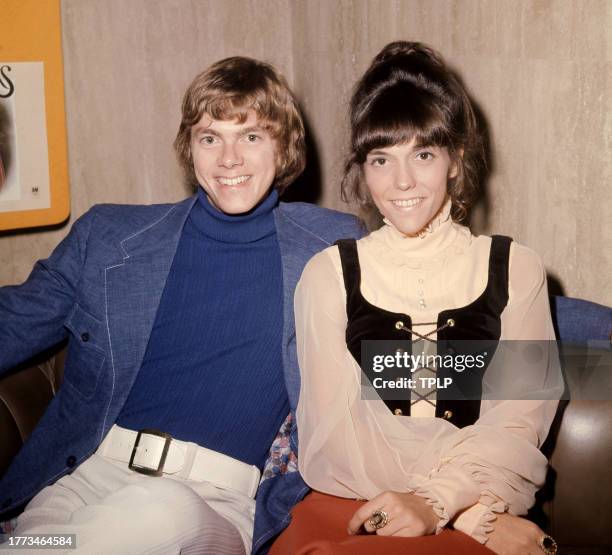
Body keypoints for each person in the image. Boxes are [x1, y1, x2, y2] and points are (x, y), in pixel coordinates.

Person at [0, 56, 363, 554]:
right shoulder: (109, 236)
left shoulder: (333, 247)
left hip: (210, 507)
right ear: (189, 150)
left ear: (284, 149)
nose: (229, 159)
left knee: (158, 511)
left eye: (251, 137)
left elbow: (419, 359)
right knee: (42, 546)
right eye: (210, 138)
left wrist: (473, 489)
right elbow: (14, 321)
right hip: (84, 486)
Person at [272, 42, 562, 555]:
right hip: (357, 508)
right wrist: (472, 517)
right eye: (382, 159)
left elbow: (519, 422)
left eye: (423, 154)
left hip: (476, 498)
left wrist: (435, 503)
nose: (401, 181)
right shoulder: (328, 276)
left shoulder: (518, 269)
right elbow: (332, 440)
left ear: (457, 159)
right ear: (362, 168)